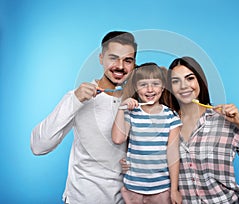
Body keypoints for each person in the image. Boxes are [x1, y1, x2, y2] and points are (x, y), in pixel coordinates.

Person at [30, 31, 138, 204]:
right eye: (113, 58)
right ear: (101, 58)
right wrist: (75, 100)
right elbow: (38, 146)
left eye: (127, 60)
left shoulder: (137, 101)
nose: (120, 66)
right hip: (81, 199)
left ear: (133, 64)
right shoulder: (78, 97)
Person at [165, 56, 239, 203]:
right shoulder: (166, 123)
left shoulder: (223, 121)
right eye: (175, 81)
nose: (183, 86)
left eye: (189, 78)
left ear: (200, 81)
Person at [112, 63, 182, 204]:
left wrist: (174, 190)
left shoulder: (171, 117)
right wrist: (121, 109)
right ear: (137, 88)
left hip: (161, 189)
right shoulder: (131, 114)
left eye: (155, 84)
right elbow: (118, 139)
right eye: (143, 84)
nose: (150, 89)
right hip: (133, 189)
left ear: (162, 87)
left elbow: (173, 153)